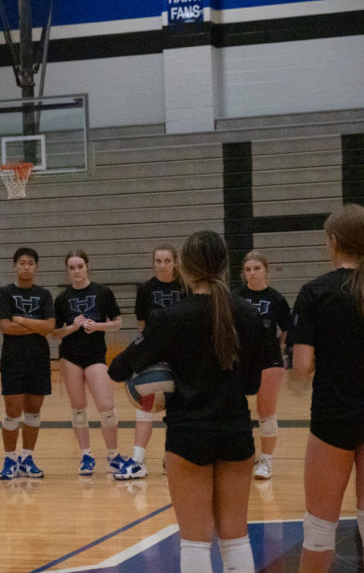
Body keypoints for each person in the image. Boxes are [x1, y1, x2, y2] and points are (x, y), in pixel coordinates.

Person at [109, 230, 268, 573]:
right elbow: (253, 384)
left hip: (188, 435)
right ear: (225, 266)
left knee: (195, 541)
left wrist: (160, 373)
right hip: (236, 432)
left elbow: (118, 368)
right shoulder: (249, 314)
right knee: (236, 538)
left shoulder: (171, 318)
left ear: (184, 267)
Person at [291, 205, 364, 573]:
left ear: (333, 242)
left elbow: (302, 367)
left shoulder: (315, 291)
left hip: (333, 417)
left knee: (320, 531)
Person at [51, 249, 125, 476]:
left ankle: (113, 455)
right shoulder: (62, 298)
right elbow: (55, 333)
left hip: (95, 356)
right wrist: (72, 327)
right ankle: (86, 455)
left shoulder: (102, 292)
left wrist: (99, 326)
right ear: (67, 271)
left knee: (106, 406)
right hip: (70, 357)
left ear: (87, 266)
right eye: (72, 268)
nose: (76, 271)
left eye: (80, 266)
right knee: (78, 408)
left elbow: (119, 322)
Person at [117, 244, 185, 480]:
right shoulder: (146, 289)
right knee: (145, 404)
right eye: (158, 261)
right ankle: (137, 460)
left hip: (181, 354)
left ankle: (172, 459)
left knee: (177, 408)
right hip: (153, 353)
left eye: (167, 260)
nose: (163, 265)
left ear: (175, 262)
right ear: (153, 263)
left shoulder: (185, 286)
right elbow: (142, 325)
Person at [0, 247, 55, 480]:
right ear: (15, 266)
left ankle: (27, 458)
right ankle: (9, 459)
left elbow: (50, 327)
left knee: (33, 411)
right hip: (13, 360)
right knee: (12, 411)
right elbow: (6, 327)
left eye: (30, 263)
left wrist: (22, 320)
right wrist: (36, 326)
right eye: (22, 263)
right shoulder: (6, 293)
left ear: (36, 266)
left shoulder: (44, 294)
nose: (26, 267)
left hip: (38, 360)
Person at [234, 250, 291, 480]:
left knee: (266, 412)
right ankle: (241, 455)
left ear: (266, 270)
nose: (252, 273)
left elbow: (287, 328)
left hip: (269, 359)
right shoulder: (235, 297)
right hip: (241, 359)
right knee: (235, 408)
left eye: (257, 268)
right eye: (248, 269)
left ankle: (265, 461)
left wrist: (277, 347)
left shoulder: (276, 299)